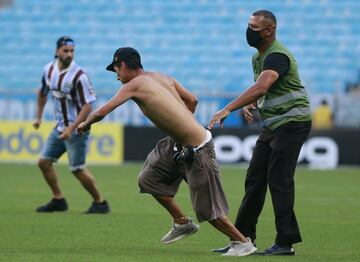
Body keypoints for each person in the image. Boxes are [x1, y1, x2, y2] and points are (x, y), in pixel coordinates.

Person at [77, 47, 257, 256]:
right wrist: (184, 128)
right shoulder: (162, 77)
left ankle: (242, 243)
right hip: (178, 143)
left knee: (208, 211)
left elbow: (102, 111)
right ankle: (182, 223)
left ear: (124, 65)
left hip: (197, 149)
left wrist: (85, 123)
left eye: (116, 70)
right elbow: (192, 100)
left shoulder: (134, 85)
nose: (117, 76)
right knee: (149, 179)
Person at [209, 10, 312, 256]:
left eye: (254, 27)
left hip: (293, 122)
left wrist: (228, 108)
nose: (249, 30)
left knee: (279, 180)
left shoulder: (277, 55)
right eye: (249, 25)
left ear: (270, 29)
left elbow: (263, 85)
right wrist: (251, 102)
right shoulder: (259, 57)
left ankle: (285, 242)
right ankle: (242, 239)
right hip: (274, 124)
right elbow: (264, 89)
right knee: (255, 179)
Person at [33, 36, 110, 214]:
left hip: (77, 130)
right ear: (57, 51)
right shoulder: (48, 70)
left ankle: (100, 202)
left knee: (77, 169)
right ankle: (58, 199)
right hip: (60, 128)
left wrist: (72, 128)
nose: (69, 54)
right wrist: (38, 117)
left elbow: (87, 105)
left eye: (72, 51)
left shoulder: (79, 76)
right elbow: (42, 93)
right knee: (43, 162)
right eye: (65, 50)